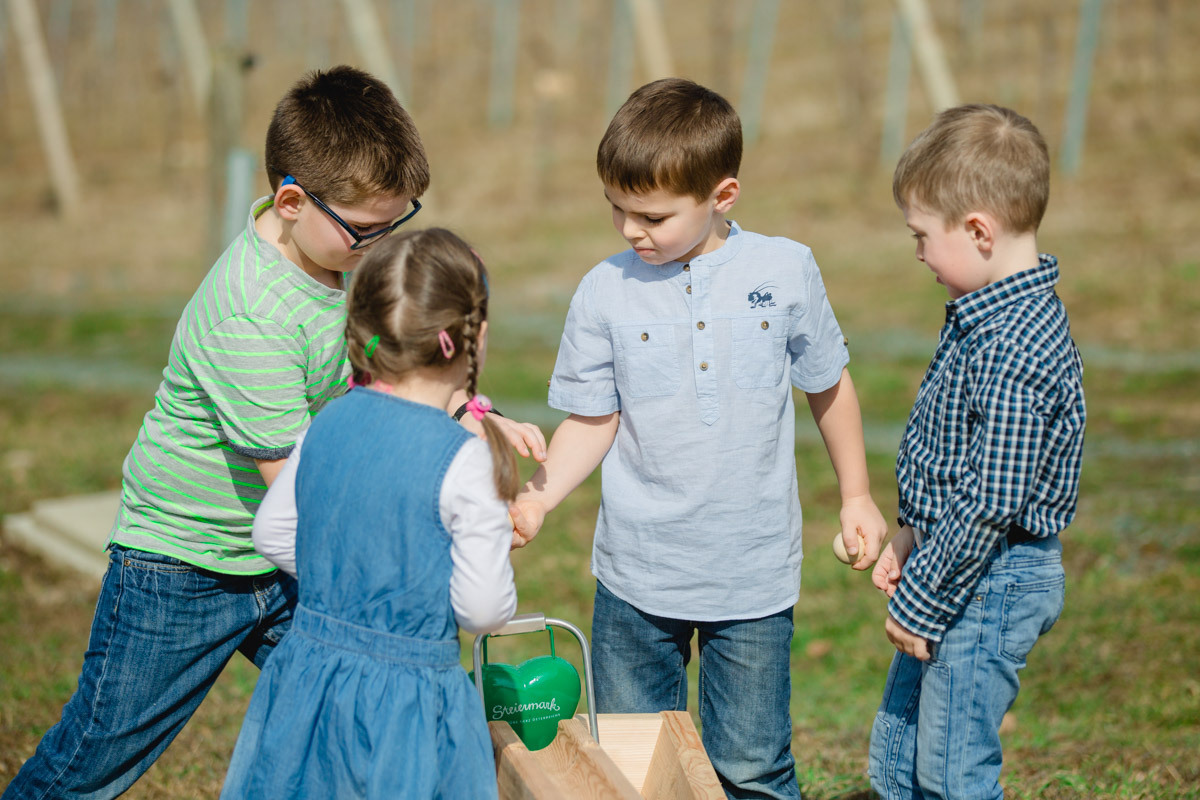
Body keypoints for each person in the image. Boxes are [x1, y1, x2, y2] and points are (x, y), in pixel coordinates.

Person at [4, 66, 541, 800]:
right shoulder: (249, 318)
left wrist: (472, 415)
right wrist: (440, 521)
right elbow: (309, 490)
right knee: (94, 756)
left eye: (396, 225)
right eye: (366, 230)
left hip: (277, 551)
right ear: (292, 201)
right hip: (186, 566)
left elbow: (387, 385)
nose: (380, 245)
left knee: (361, 709)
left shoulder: (337, 257)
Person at [508, 78, 888, 799]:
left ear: (723, 195)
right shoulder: (604, 291)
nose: (629, 230)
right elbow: (594, 418)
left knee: (751, 766)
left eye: (650, 215)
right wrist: (539, 496)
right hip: (636, 576)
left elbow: (827, 384)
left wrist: (858, 495)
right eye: (616, 209)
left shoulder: (785, 271)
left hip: (751, 578)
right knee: (633, 762)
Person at [220, 227, 517, 798]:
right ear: (473, 337)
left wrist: (350, 577)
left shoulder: (325, 423)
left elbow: (273, 534)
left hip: (308, 676)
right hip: (404, 703)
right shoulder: (466, 459)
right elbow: (482, 609)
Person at [868, 104, 1086, 800]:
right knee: (897, 761)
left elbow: (994, 499)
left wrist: (923, 600)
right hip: (955, 558)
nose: (920, 255)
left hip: (994, 576)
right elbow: (956, 459)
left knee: (952, 772)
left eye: (922, 237)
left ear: (979, 232)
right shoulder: (981, 317)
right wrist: (911, 532)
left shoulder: (1017, 346)